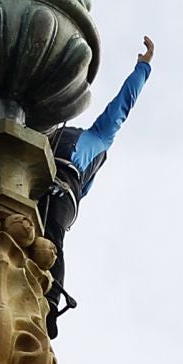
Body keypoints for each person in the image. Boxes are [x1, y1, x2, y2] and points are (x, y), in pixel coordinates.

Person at [39, 36, 154, 337]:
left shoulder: (98, 139)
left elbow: (121, 107)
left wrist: (142, 68)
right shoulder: (47, 134)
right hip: (35, 181)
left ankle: (49, 301)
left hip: (62, 188)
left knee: (51, 237)